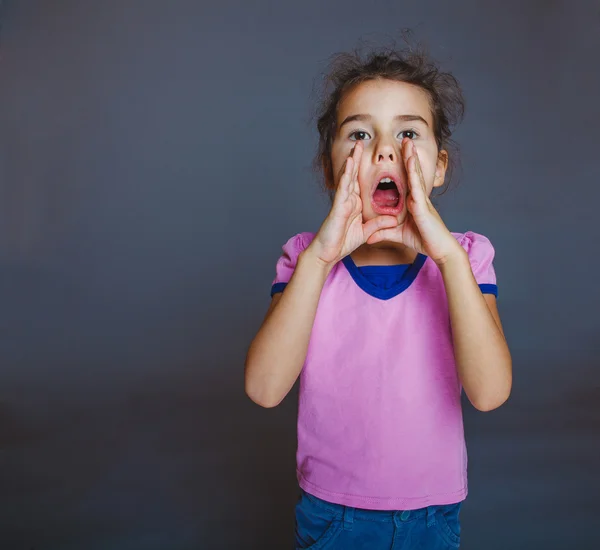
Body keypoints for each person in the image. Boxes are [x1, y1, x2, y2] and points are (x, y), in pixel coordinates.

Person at [244, 42, 512, 549]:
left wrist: (448, 260)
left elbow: (491, 392)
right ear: (330, 168)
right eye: (360, 134)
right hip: (332, 516)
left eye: (408, 133)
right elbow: (264, 388)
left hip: (432, 517)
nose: (386, 149)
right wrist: (321, 259)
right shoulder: (307, 258)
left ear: (438, 167)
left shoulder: (467, 258)